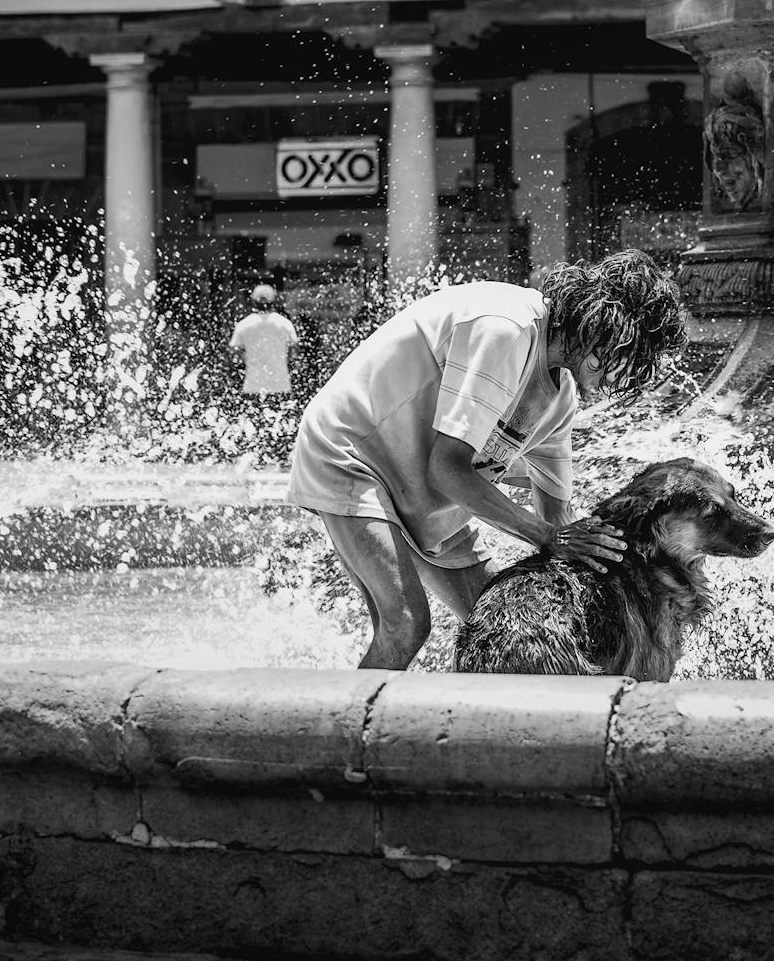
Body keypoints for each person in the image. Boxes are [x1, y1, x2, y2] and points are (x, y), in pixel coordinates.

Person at [286, 249, 688, 669]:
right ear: (606, 330)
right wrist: (547, 536)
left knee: (504, 627)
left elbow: (558, 520)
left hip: (422, 493)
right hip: (353, 456)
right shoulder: (507, 327)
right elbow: (448, 468)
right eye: (630, 360)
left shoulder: (561, 399)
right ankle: (350, 731)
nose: (620, 381)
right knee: (406, 624)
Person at [230, 283, 300, 460]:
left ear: (252, 302)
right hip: (280, 383)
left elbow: (234, 355)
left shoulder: (244, 325)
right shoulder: (284, 324)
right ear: (274, 301)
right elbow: (294, 353)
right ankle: (280, 456)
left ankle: (257, 456)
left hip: (253, 384)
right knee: (281, 422)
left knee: (255, 424)